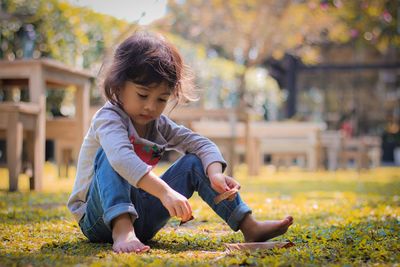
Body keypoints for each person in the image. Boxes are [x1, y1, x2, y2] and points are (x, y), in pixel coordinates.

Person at [67, 31, 293, 254]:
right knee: (110, 155)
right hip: (98, 218)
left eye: (161, 99)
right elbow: (121, 158)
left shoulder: (159, 124)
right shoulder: (108, 118)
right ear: (118, 86)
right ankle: (122, 230)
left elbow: (202, 145)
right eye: (142, 95)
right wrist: (166, 193)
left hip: (143, 218)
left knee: (196, 162)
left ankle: (250, 226)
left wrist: (214, 174)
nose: (151, 107)